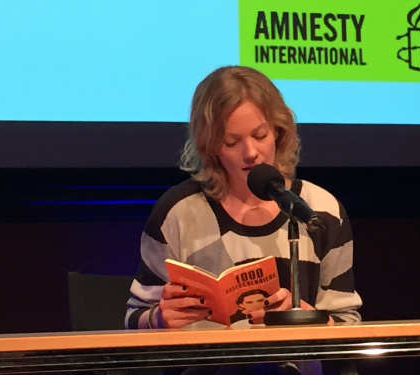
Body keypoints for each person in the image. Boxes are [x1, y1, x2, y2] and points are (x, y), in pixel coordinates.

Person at [125, 65, 362, 373]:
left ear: (279, 130)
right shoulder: (179, 212)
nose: (251, 152)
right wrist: (158, 318)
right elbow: (133, 321)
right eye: (232, 142)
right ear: (210, 148)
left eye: (260, 135)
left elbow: (348, 326)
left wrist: (309, 319)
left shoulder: (320, 210)